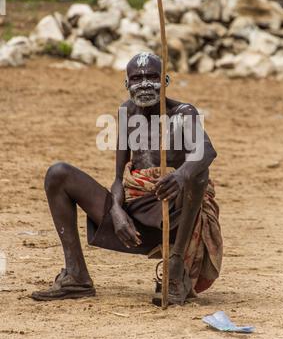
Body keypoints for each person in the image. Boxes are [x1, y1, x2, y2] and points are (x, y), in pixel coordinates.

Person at [32, 52, 222, 305]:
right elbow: (119, 179)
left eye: (152, 77)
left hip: (173, 214)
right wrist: (117, 210)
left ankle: (176, 268)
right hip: (133, 214)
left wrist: (180, 175)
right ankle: (76, 275)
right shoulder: (126, 111)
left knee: (199, 174)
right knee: (58, 174)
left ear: (165, 80)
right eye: (137, 78)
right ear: (127, 84)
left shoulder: (183, 113)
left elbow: (207, 151)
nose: (144, 84)